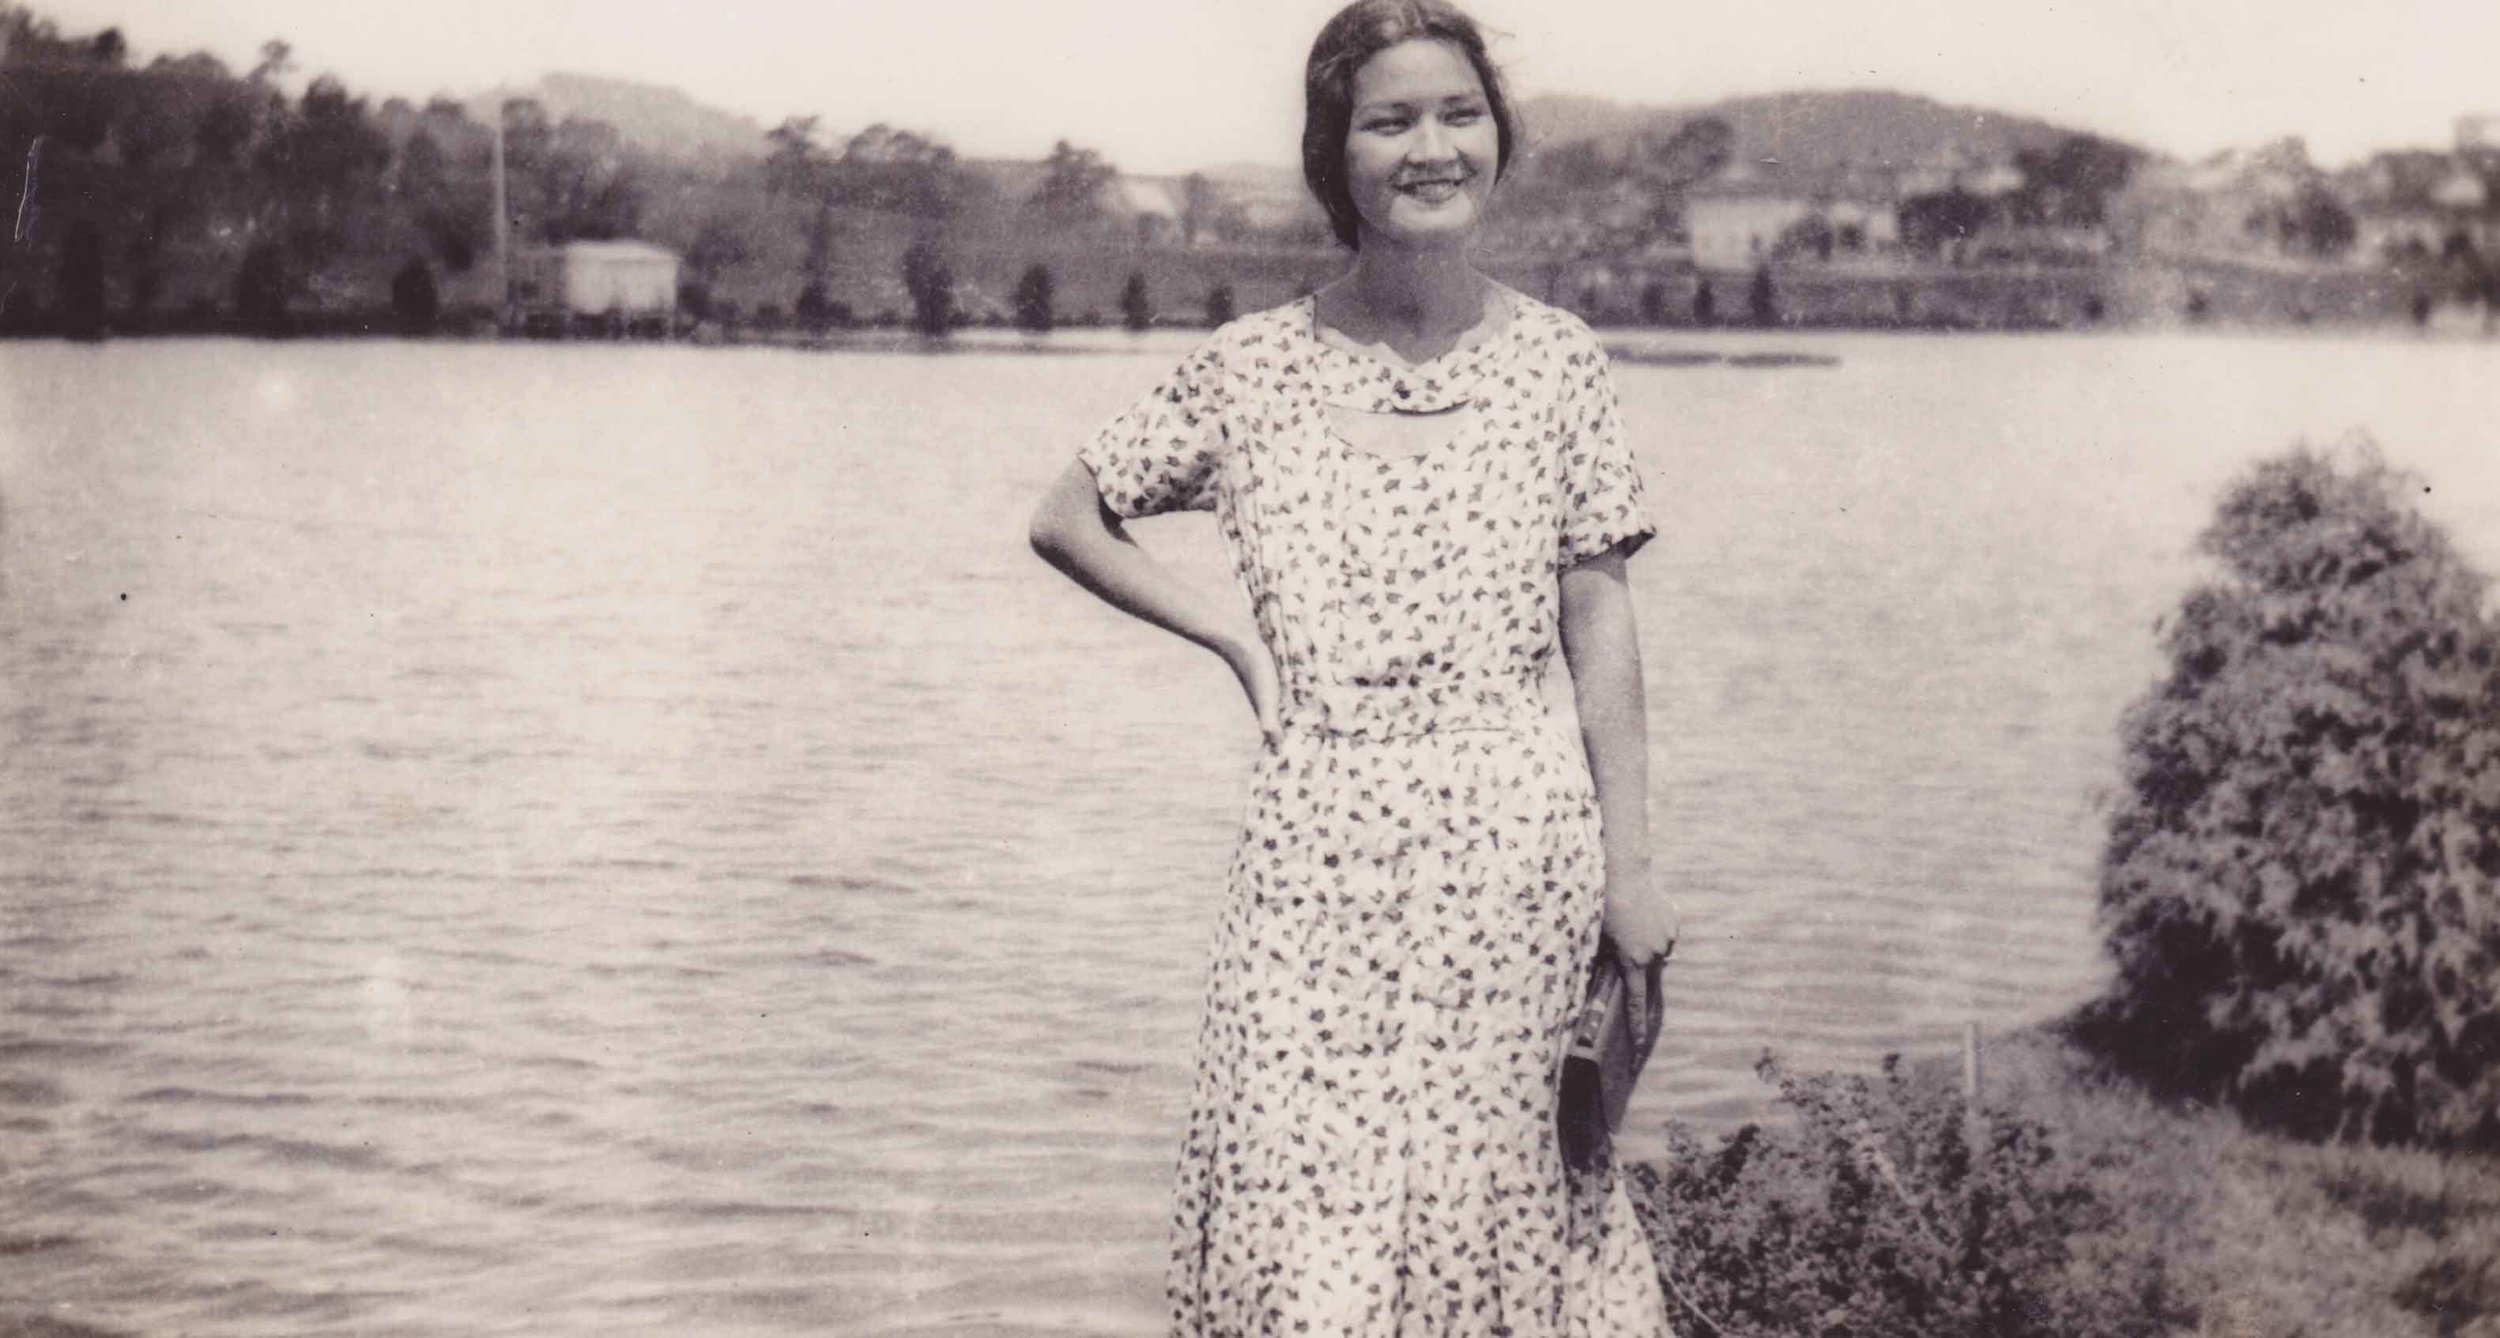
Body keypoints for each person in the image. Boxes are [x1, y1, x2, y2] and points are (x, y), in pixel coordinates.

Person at [1028, 1, 1677, 1331]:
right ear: (1337, 154)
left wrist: (1634, 868)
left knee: (1506, 1217)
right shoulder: (1250, 369)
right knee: (1306, 1232)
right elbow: (1067, 514)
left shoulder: (1561, 361)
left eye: (1459, 113)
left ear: (1497, 135)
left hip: (1516, 858)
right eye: (1389, 120)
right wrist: (1232, 640)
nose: (1431, 147)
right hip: (1318, 865)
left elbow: (1599, 621)